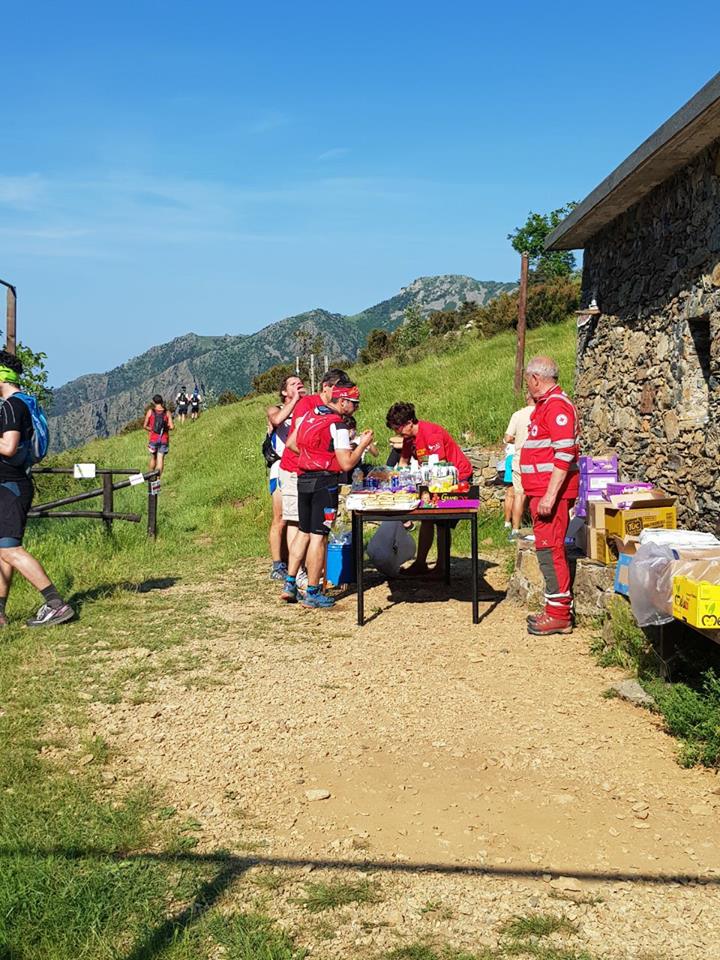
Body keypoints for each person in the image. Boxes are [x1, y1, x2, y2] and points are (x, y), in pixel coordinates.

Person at [282, 383, 374, 610]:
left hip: (303, 479)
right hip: (325, 485)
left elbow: (292, 443)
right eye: (354, 404)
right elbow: (346, 463)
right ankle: (313, 591)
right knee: (318, 536)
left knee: (303, 531)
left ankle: (290, 583)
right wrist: (362, 444)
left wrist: (311, 456)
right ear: (342, 402)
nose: (356, 408)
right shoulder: (339, 426)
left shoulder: (309, 416)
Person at [0, 350, 74, 627]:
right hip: (14, 485)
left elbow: (7, 447)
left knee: (10, 550)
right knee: (3, 550)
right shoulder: (24, 402)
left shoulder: (10, 406)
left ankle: (55, 604)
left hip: (9, 487)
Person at [520, 356, 579, 636]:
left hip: (549, 493)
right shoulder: (545, 407)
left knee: (550, 548)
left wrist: (550, 496)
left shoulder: (557, 407)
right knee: (546, 547)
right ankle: (554, 608)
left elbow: (564, 453)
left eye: (527, 381)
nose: (527, 386)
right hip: (540, 491)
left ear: (535, 379)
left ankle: (559, 615)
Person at [385, 402, 473, 576]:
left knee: (442, 521)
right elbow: (402, 463)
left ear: (410, 422)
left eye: (399, 428)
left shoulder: (432, 433)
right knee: (426, 518)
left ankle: (441, 566)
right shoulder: (409, 439)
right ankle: (420, 563)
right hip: (434, 479)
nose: (397, 433)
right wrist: (397, 478)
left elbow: (437, 466)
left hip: (455, 477)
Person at [277, 368, 350, 558]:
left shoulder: (336, 411)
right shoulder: (308, 404)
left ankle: (313, 570)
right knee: (299, 523)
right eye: (337, 389)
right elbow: (296, 441)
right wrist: (318, 459)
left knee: (317, 529)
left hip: (319, 475)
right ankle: (298, 573)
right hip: (296, 469)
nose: (341, 394)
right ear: (326, 387)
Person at [266, 375, 306, 580]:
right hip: (280, 466)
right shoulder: (275, 409)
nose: (298, 385)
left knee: (299, 517)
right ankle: (276, 564)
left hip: (301, 467)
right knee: (280, 517)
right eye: (292, 384)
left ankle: (297, 561)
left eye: (300, 382)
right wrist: (294, 401)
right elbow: (276, 420)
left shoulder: (304, 408)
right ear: (284, 392)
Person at [504, 394, 536, 538]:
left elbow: (507, 437)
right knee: (538, 495)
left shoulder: (517, 415)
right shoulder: (543, 411)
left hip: (520, 458)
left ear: (526, 398)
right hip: (538, 457)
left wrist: (519, 441)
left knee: (519, 495)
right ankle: (538, 529)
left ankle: (515, 529)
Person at [144, 394, 174, 477]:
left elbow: (145, 426)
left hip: (153, 439)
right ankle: (157, 480)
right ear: (162, 401)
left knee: (153, 458)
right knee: (160, 459)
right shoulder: (167, 412)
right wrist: (165, 428)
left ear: (154, 402)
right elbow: (172, 427)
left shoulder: (151, 412)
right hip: (164, 439)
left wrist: (152, 429)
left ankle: (150, 477)